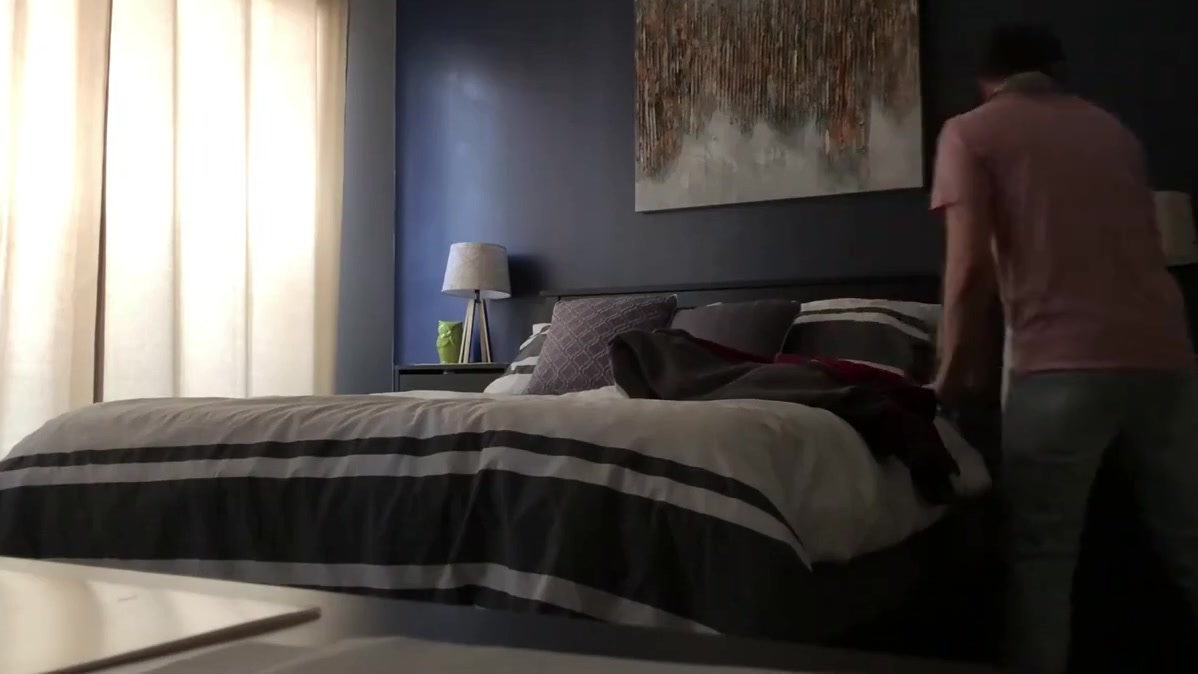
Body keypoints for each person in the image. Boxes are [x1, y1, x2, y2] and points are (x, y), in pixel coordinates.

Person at [929, 23, 1198, 674]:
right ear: (1055, 70)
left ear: (986, 78)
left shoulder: (971, 132)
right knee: (1191, 543)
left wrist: (948, 378)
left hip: (1060, 366)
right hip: (1166, 358)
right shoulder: (1113, 131)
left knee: (1042, 561)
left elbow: (969, 272)